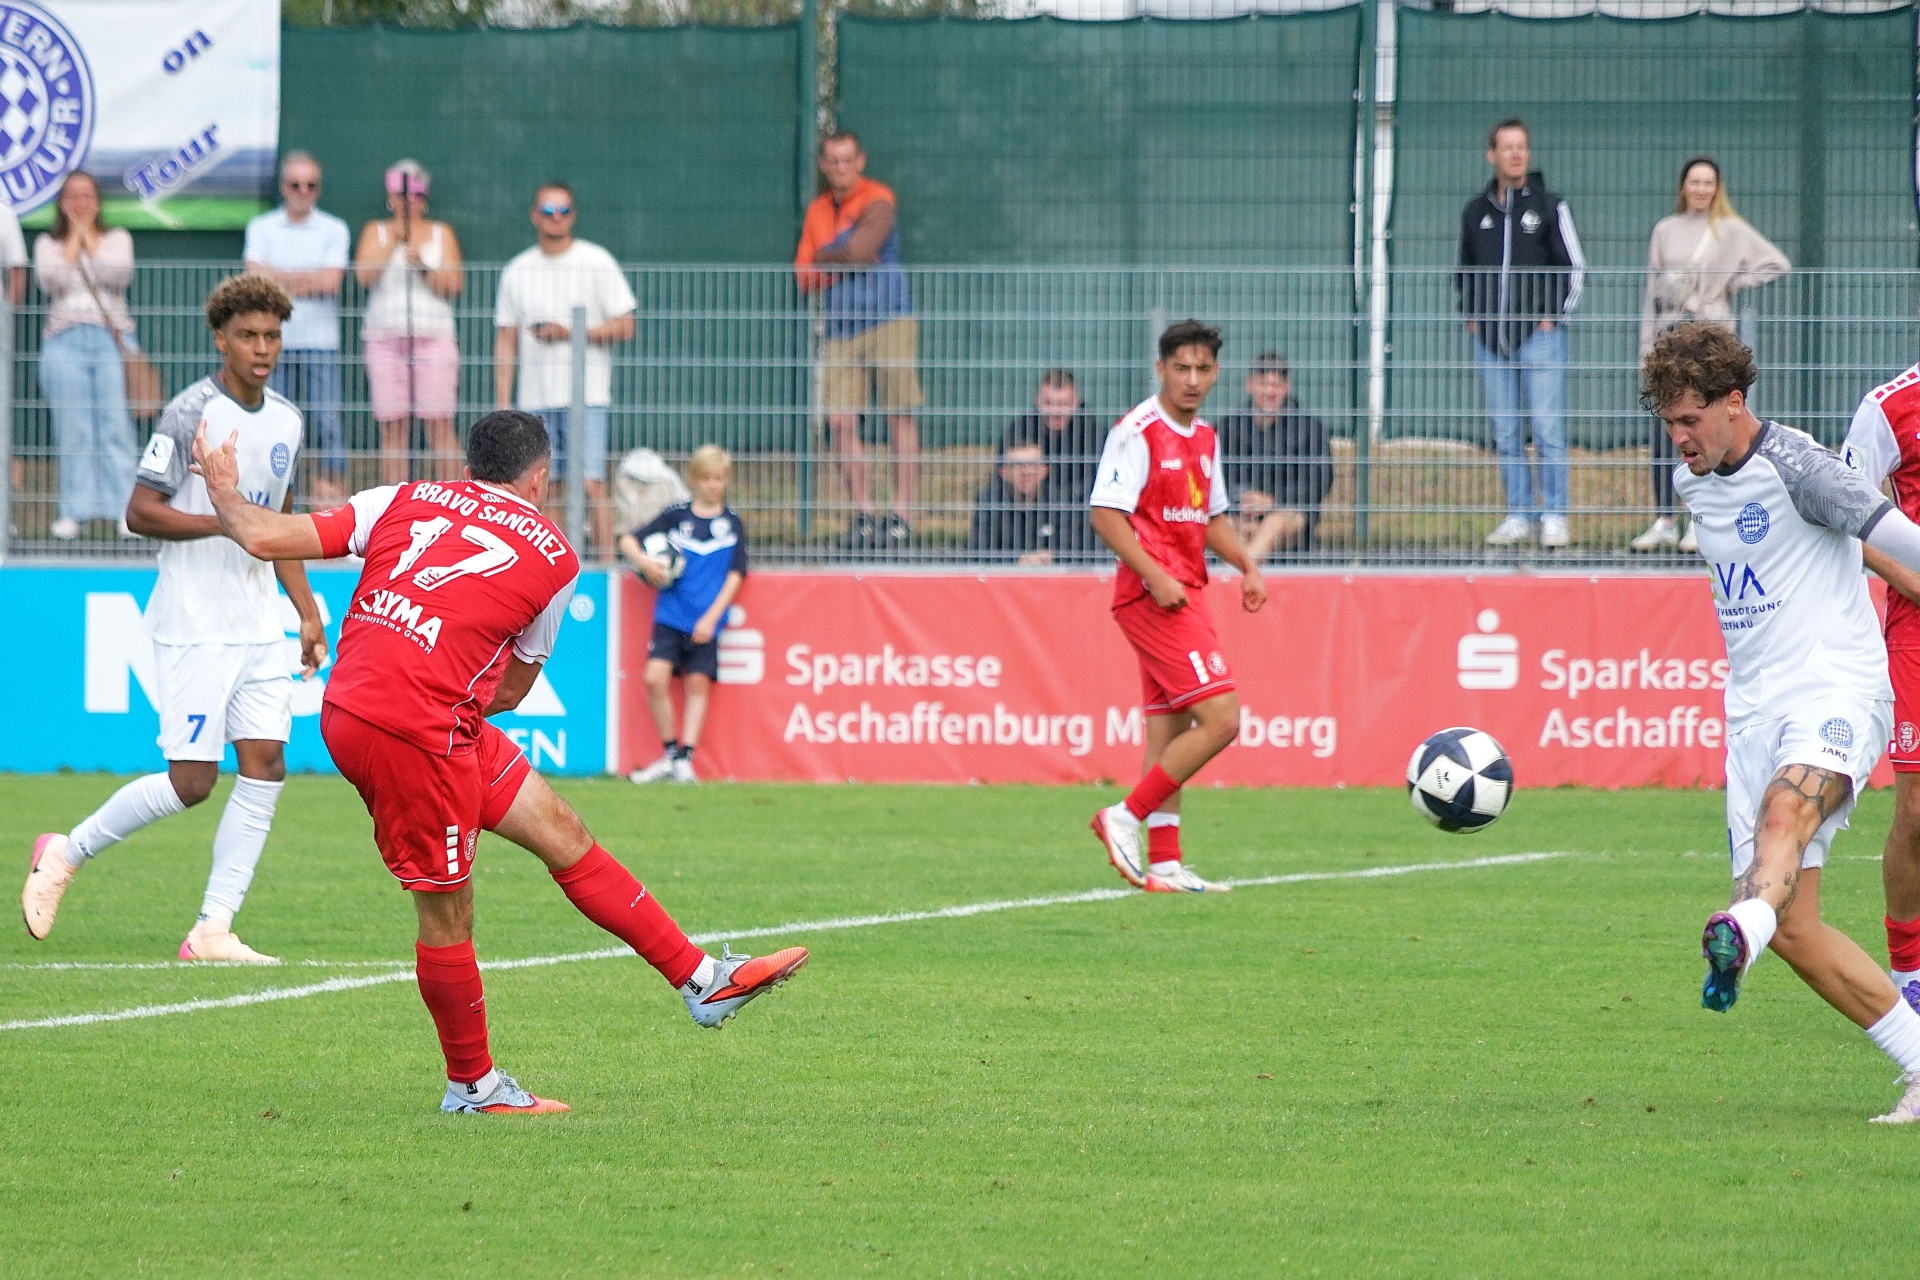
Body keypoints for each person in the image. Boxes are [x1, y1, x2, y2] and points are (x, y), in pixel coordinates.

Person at [187, 409, 806, 1115]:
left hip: (364, 705)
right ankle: (474, 1088)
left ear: (468, 466)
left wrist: (224, 488)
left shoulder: (403, 497)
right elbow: (509, 690)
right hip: (415, 730)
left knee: (560, 829)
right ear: (539, 477)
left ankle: (703, 982)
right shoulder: (555, 556)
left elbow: (264, 536)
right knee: (447, 910)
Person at [1645, 323, 1920, 1124]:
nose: (1679, 437)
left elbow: (1898, 539)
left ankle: (1738, 924)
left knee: (1785, 815)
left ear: (1734, 402)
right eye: (1669, 423)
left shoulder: (1802, 467)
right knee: (1796, 929)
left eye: (1691, 419)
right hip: (1753, 710)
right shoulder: (1693, 482)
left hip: (1836, 689)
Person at [23, 274, 325, 962]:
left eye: (272, 336)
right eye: (247, 336)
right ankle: (66, 851)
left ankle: (213, 929)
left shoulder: (287, 420)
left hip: (258, 623)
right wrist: (225, 521)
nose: (262, 348)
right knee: (192, 781)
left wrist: (306, 615)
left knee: (267, 764)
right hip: (194, 621)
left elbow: (278, 528)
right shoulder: (191, 412)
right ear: (220, 339)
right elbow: (140, 511)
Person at [1086, 319, 1267, 894]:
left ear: (1216, 373)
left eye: (1202, 369)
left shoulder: (1205, 437)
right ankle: (1123, 817)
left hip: (1186, 589)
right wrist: (1155, 576)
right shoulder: (1136, 432)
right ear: (1160, 368)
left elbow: (1209, 517)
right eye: (1181, 368)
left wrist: (1246, 565)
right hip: (1151, 596)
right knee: (1223, 719)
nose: (1192, 380)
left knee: (1171, 730)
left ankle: (1165, 863)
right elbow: (1105, 514)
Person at [1630, 157, 1789, 554]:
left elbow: (1776, 264)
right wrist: (1646, 346)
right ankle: (1665, 518)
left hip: (1710, 339)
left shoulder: (1730, 229)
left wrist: (1732, 284)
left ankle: (1698, 519)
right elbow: (1651, 290)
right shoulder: (1665, 230)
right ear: (1683, 186)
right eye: (1694, 182)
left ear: (1717, 189)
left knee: (1706, 426)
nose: (1700, 189)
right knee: (1667, 427)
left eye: (1708, 183)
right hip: (1670, 333)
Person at [1456, 119, 1585, 550]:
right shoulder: (1476, 211)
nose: (1516, 154)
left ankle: (1555, 515)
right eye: (1507, 147)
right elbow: (1464, 268)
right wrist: (1472, 315)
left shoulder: (1549, 206)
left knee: (1547, 429)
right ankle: (1519, 514)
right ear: (1491, 155)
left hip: (1540, 338)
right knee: (1506, 432)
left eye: (1522, 147)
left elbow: (1574, 268)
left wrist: (1554, 316)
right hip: (1491, 341)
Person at [794, 132, 922, 551]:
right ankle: (864, 514)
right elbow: (804, 273)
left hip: (889, 318)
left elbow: (861, 250)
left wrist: (829, 256)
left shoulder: (878, 198)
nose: (841, 167)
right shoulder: (817, 210)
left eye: (847, 159)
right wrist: (843, 255)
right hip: (840, 326)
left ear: (860, 161)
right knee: (840, 422)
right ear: (823, 164)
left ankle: (902, 515)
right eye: (833, 160)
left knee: (899, 414)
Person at [494, 182, 636, 556]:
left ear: (573, 216)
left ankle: (606, 566)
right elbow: (506, 338)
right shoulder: (517, 270)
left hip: (587, 395)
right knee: (547, 488)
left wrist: (571, 332)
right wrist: (504, 402)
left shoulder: (597, 261)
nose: (555, 218)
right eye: (548, 210)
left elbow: (626, 325)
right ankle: (555, 566)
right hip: (535, 399)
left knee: (590, 483)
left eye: (563, 210)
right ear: (534, 215)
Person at [1840, 362, 1920, 1014]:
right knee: (1917, 812)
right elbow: (1845, 515)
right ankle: (1909, 978)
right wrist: (1913, 581)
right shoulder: (1888, 409)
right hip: (1916, 627)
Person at [620, 445, 748, 785]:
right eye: (706, 478)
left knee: (697, 683)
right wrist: (646, 564)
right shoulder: (676, 516)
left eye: (718, 478)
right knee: (654, 678)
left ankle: (685, 759)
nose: (712, 485)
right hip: (670, 615)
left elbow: (736, 575)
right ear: (693, 479)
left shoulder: (732, 524)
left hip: (706, 620)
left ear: (726, 480)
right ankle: (670, 754)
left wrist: (712, 618)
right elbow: (628, 541)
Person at [34, 170, 139, 541]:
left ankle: (124, 511)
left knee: (115, 424)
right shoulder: (47, 243)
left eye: (87, 196)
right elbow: (52, 280)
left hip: (111, 339)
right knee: (74, 428)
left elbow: (117, 275)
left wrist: (87, 237)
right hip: (63, 341)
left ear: (98, 201)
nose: (81, 203)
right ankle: (75, 512)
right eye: (73, 196)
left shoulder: (117, 238)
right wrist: (73, 238)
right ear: (62, 203)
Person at [244, 151, 351, 504]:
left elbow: (331, 282)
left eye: (311, 185)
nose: (303, 191)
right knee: (272, 421)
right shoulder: (261, 227)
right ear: (282, 187)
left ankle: (331, 498)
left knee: (327, 423)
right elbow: (254, 278)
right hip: (271, 343)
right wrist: (309, 278)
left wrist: (277, 280)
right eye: (295, 184)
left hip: (321, 342)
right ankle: (272, 494)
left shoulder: (335, 228)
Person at [355, 159, 464, 487]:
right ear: (390, 196)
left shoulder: (441, 233)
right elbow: (364, 276)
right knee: (393, 426)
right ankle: (396, 503)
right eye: (400, 194)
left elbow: (453, 285)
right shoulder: (375, 231)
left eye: (415, 194)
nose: (407, 201)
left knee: (439, 423)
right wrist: (394, 241)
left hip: (433, 336)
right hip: (384, 338)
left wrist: (422, 265)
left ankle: (456, 499)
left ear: (424, 197)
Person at [1215, 352, 1334, 561]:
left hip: (1289, 516)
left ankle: (1241, 574)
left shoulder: (1309, 428)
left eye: (1276, 385)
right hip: (1239, 514)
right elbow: (1214, 477)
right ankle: (1245, 572)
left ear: (1286, 388)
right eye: (1263, 384)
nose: (1269, 392)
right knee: (1223, 525)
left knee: (1272, 524)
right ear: (1250, 385)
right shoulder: (1228, 427)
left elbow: (1319, 482)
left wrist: (1273, 501)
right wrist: (1241, 499)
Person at [998, 369, 1103, 555]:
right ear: (1037, 401)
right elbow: (1004, 474)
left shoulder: (1093, 433)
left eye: (1063, 404)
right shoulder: (1021, 429)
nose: (1056, 411)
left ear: (1076, 403)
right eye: (1049, 403)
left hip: (1078, 508)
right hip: (1030, 505)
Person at [968, 436, 1058, 565]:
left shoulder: (1059, 502)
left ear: (1044, 471)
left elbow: (1075, 548)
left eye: (1032, 464)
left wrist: (1052, 558)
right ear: (1003, 472)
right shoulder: (989, 502)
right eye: (1017, 465)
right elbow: (978, 552)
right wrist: (1018, 561)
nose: (1025, 472)